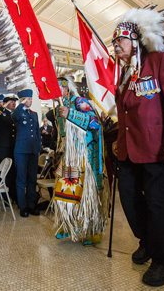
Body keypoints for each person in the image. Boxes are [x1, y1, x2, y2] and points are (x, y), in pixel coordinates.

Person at [112, 8, 164, 287]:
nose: (115, 46)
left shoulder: (158, 60)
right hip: (129, 151)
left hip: (160, 149)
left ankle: (162, 261)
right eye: (113, 42)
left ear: (134, 40)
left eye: (118, 40)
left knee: (158, 207)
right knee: (130, 201)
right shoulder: (123, 74)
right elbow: (126, 115)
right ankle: (146, 241)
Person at [52, 77, 108, 245]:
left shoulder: (79, 102)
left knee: (87, 193)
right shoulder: (60, 106)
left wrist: (70, 114)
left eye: (58, 88)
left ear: (66, 88)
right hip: (70, 156)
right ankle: (69, 225)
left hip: (86, 155)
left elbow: (95, 123)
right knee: (67, 189)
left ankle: (91, 231)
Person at [11, 89, 41, 217]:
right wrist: (20, 105)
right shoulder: (18, 113)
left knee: (32, 179)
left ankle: (31, 205)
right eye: (28, 99)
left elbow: (37, 132)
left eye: (31, 98)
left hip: (33, 150)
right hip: (21, 151)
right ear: (22, 100)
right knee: (21, 179)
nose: (30, 101)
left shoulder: (34, 114)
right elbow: (14, 117)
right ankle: (22, 207)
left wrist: (38, 148)